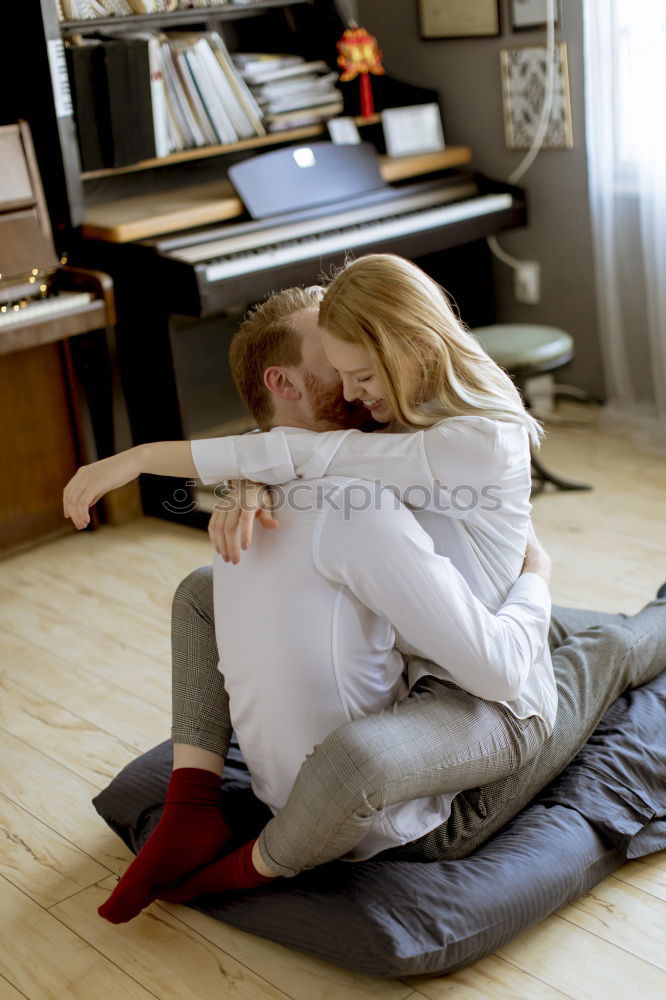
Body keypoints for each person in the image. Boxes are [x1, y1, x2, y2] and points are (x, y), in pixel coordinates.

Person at [62, 264, 664, 916]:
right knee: (204, 588)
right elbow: (301, 452)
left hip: (496, 675)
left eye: (361, 366)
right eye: (337, 356)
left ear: (398, 349)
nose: (353, 384)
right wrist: (249, 480)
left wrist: (535, 579)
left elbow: (320, 456)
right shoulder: (377, 418)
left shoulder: (418, 436)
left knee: (606, 645)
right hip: (441, 638)